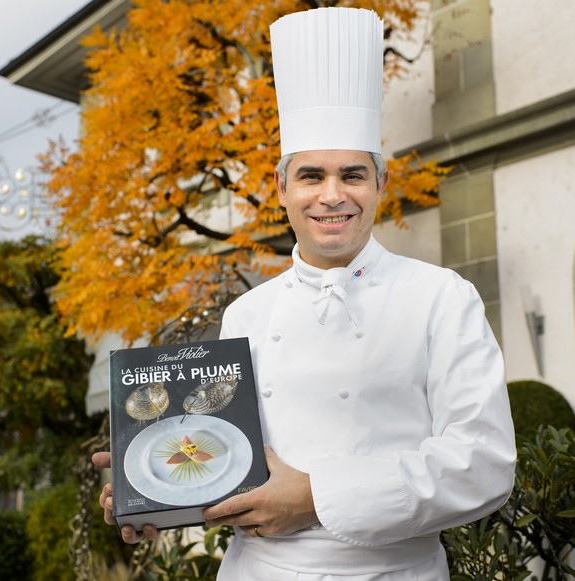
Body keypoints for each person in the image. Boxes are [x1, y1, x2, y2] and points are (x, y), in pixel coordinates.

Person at [93, 7, 516, 580]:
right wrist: (155, 496)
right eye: (312, 176)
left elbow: (482, 464)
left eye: (353, 175)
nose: (332, 196)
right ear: (282, 188)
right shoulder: (247, 311)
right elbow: (228, 453)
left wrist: (316, 497)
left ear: (381, 183)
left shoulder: (442, 297)